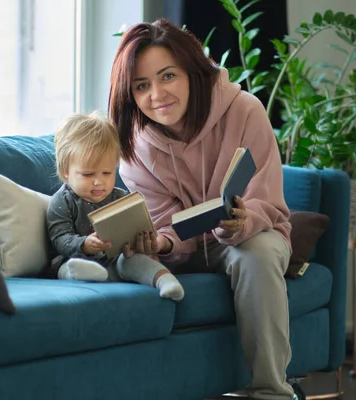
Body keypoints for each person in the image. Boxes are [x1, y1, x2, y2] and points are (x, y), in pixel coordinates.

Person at [108, 18, 295, 400]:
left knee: (254, 253)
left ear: (192, 72)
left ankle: (273, 393)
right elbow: (169, 227)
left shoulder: (245, 111)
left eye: (167, 76)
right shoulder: (133, 151)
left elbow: (268, 201)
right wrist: (160, 244)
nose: (157, 94)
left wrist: (240, 222)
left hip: (254, 234)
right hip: (189, 253)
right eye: (141, 86)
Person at [45, 111, 184, 301]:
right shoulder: (62, 201)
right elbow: (59, 238)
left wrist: (138, 244)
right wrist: (84, 245)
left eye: (106, 173)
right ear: (65, 172)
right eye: (88, 175)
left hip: (115, 262)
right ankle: (87, 274)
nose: (98, 182)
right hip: (75, 259)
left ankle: (165, 281)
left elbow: (135, 230)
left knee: (138, 261)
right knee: (66, 267)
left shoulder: (121, 198)